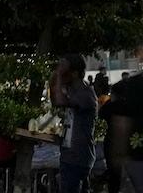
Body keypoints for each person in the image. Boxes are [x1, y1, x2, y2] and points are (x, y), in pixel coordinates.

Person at [51, 53, 98, 193]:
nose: (62, 76)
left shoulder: (85, 93)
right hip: (71, 155)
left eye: (65, 72)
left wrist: (59, 75)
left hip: (77, 156)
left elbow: (60, 101)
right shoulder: (73, 91)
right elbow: (56, 101)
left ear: (75, 73)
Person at [101, 80, 127, 193]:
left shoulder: (110, 105)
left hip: (112, 141)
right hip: (126, 142)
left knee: (113, 174)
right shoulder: (129, 105)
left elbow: (101, 114)